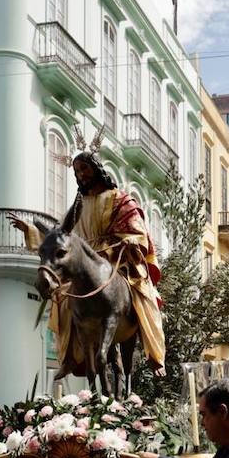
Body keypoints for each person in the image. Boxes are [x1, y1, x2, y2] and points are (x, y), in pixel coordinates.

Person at [51, 148, 165, 376]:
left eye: (84, 168)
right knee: (61, 298)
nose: (81, 174)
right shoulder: (78, 205)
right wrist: (34, 233)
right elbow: (61, 232)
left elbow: (136, 227)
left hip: (115, 256)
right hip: (84, 259)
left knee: (142, 293)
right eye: (76, 171)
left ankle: (154, 353)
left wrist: (131, 240)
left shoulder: (119, 198)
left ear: (95, 168)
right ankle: (69, 357)